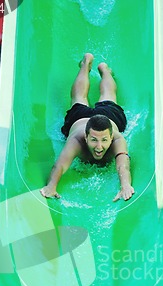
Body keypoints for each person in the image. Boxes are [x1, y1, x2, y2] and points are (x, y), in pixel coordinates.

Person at [40, 53, 134, 202]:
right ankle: (86, 65)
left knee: (106, 95)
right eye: (93, 140)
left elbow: (123, 167)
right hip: (80, 119)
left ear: (111, 137)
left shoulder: (117, 140)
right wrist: (51, 186)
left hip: (108, 116)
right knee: (79, 97)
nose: (99, 146)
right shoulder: (77, 140)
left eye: (104, 140)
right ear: (85, 136)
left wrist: (125, 185)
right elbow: (60, 166)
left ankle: (104, 70)